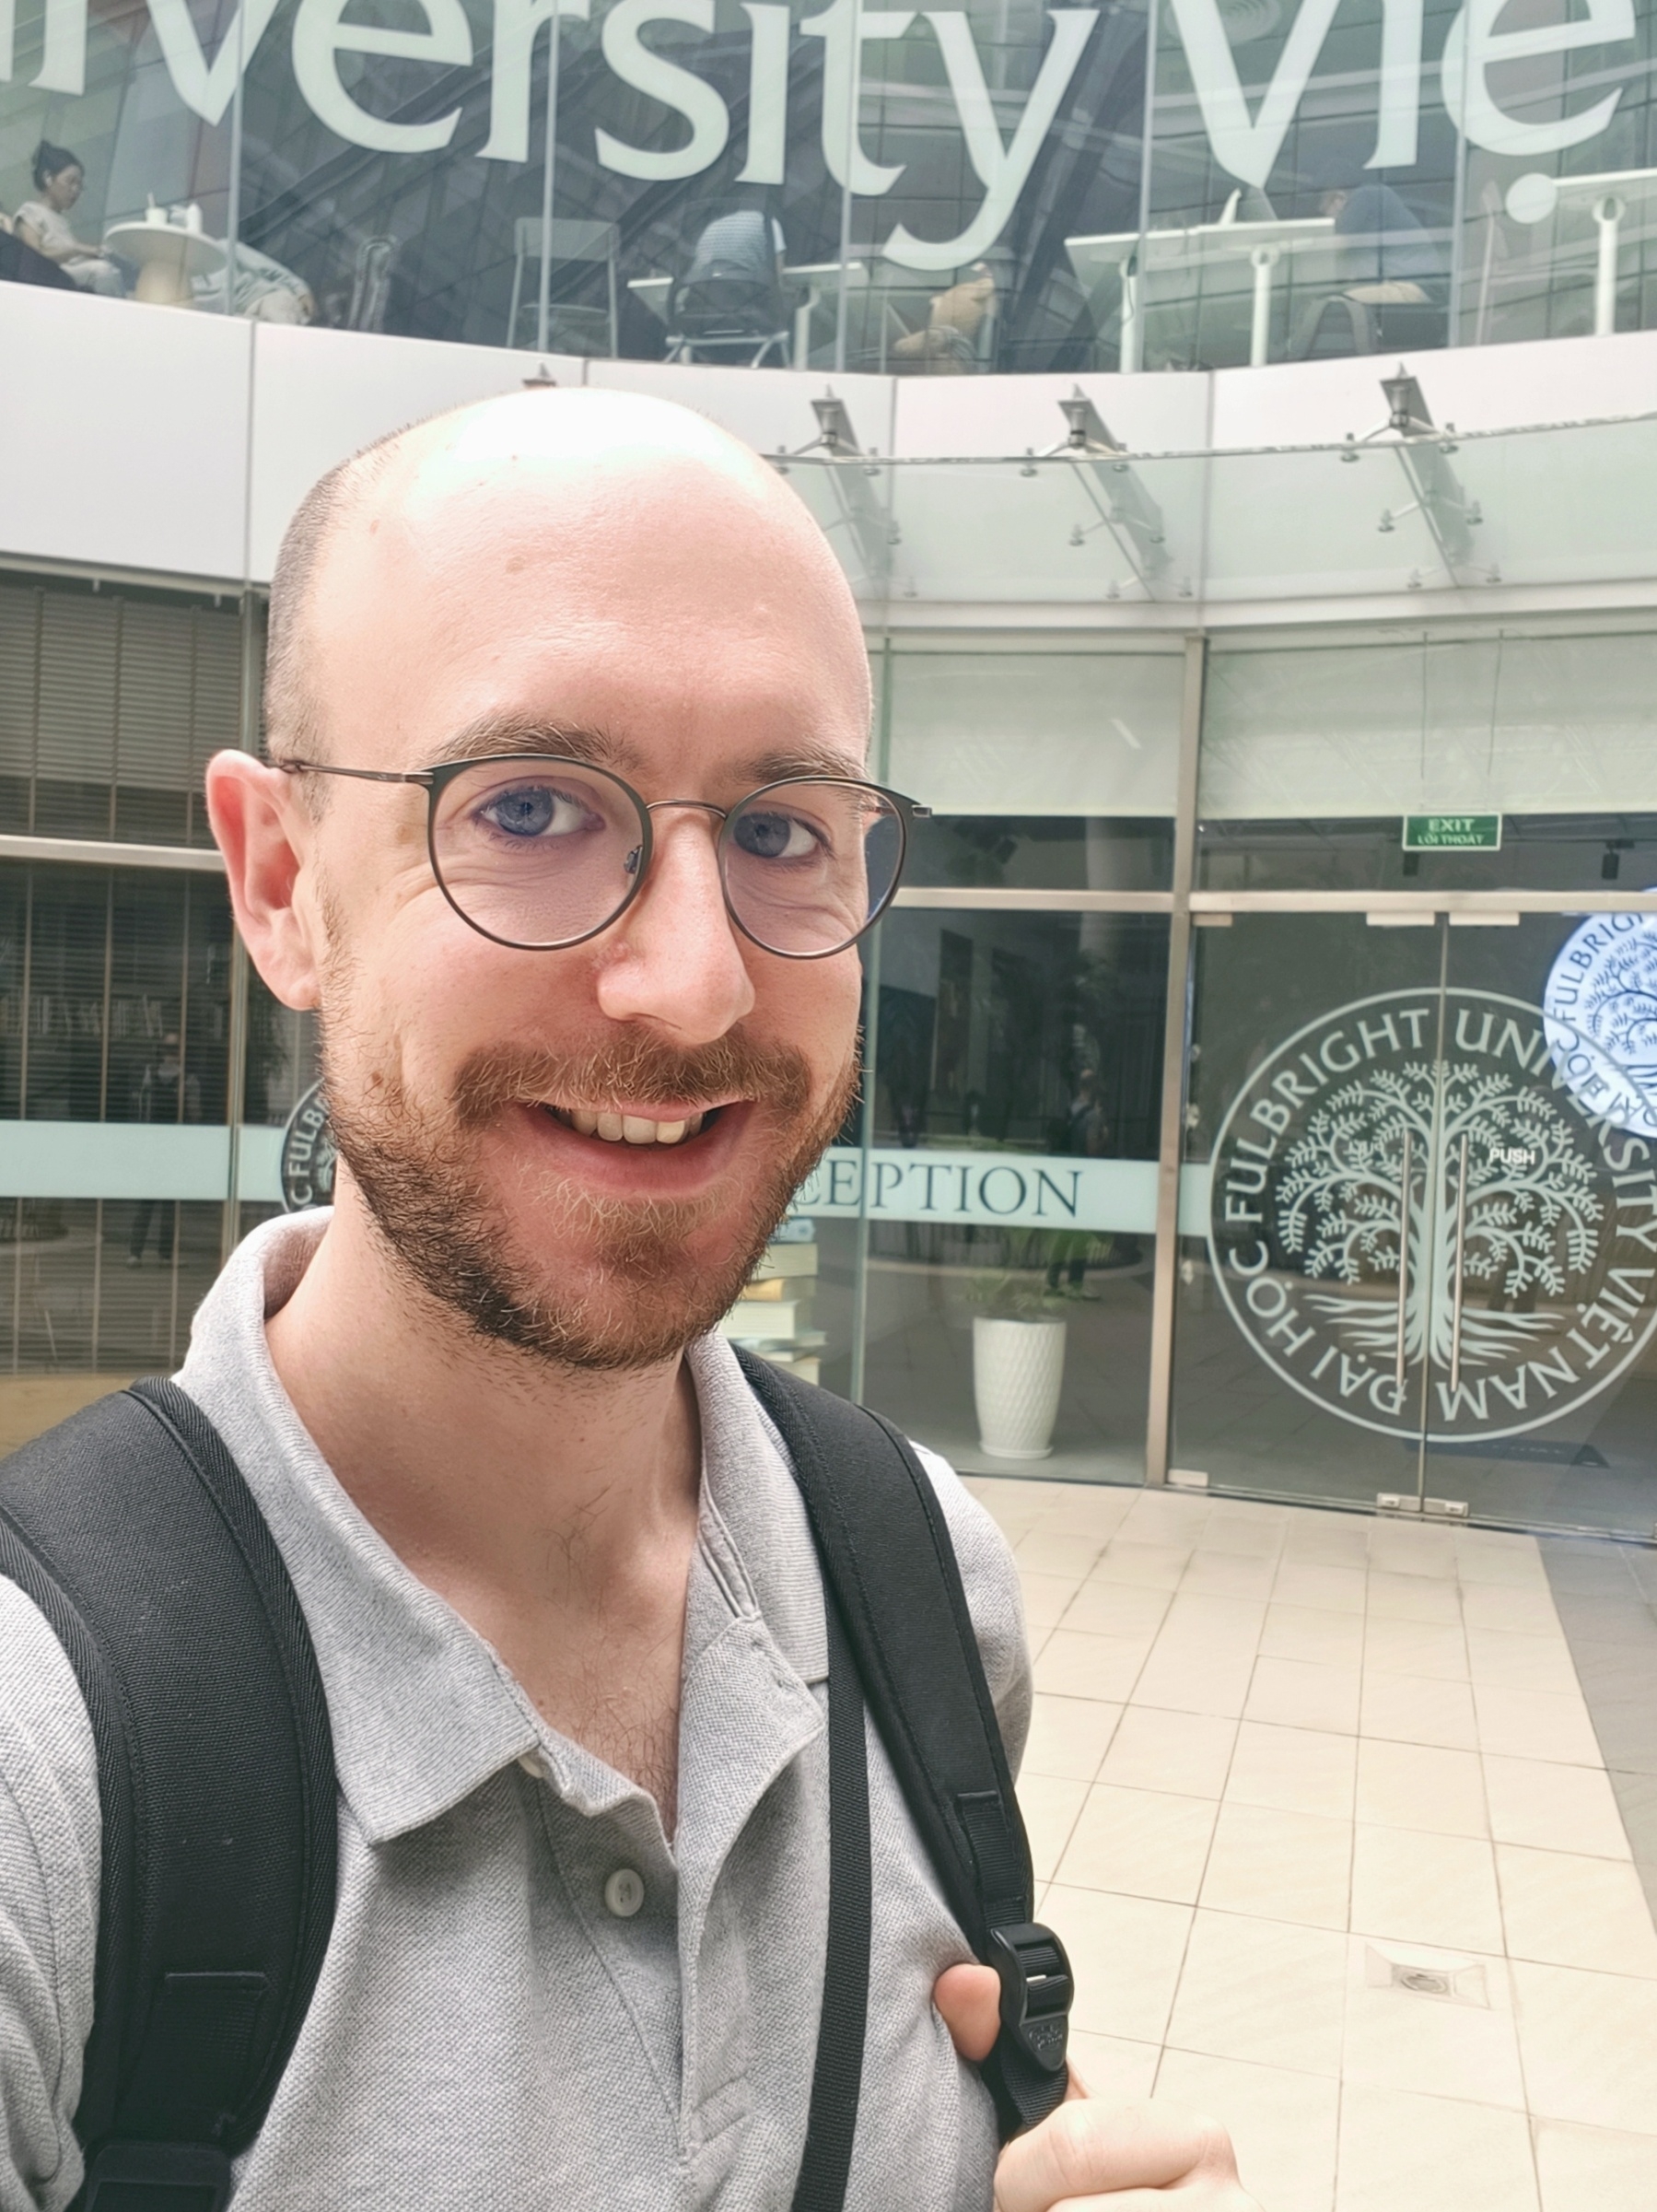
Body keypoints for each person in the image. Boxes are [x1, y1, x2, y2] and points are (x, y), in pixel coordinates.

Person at [0, 389, 1258, 2211]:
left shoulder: (919, 1592)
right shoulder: (49, 1777)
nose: (687, 983)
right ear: (281, 884)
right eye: (528, 807)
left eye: (780, 828)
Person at [12, 143, 123, 297]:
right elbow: (33, 258)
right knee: (103, 272)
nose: (75, 190)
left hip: (66, 278)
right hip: (48, 279)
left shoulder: (62, 221)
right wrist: (77, 249)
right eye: (70, 181)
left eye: (79, 185)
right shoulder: (30, 211)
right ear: (48, 178)